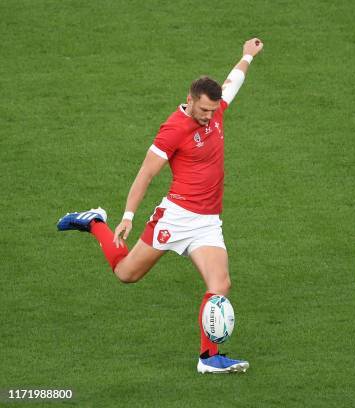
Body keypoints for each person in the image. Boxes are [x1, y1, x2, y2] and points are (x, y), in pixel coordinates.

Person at [57, 38, 264, 374]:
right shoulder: (173, 129)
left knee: (220, 286)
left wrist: (247, 56)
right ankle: (96, 222)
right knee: (126, 274)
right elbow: (145, 173)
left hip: (208, 222)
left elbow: (232, 82)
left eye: (214, 110)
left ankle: (209, 359)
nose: (210, 117)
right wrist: (127, 217)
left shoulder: (215, 110)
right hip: (176, 218)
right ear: (190, 101)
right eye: (204, 110)